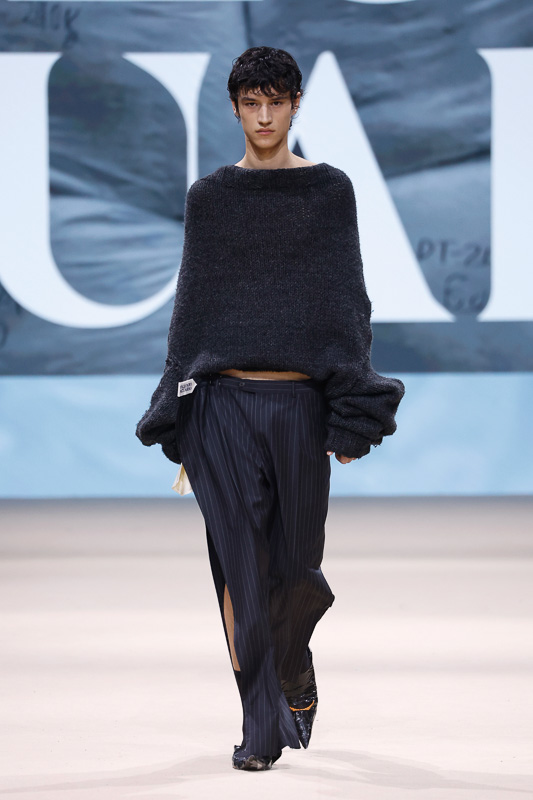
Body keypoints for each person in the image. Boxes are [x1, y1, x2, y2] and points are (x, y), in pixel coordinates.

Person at [136, 45, 405, 771]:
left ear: (293, 105)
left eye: (275, 103)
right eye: (251, 104)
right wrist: (176, 409)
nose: (263, 116)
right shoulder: (210, 198)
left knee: (295, 568)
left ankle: (293, 665)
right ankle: (260, 729)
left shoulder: (328, 192)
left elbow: (345, 304)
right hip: (218, 404)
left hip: (298, 405)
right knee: (240, 571)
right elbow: (192, 308)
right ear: (234, 109)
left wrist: (350, 411)